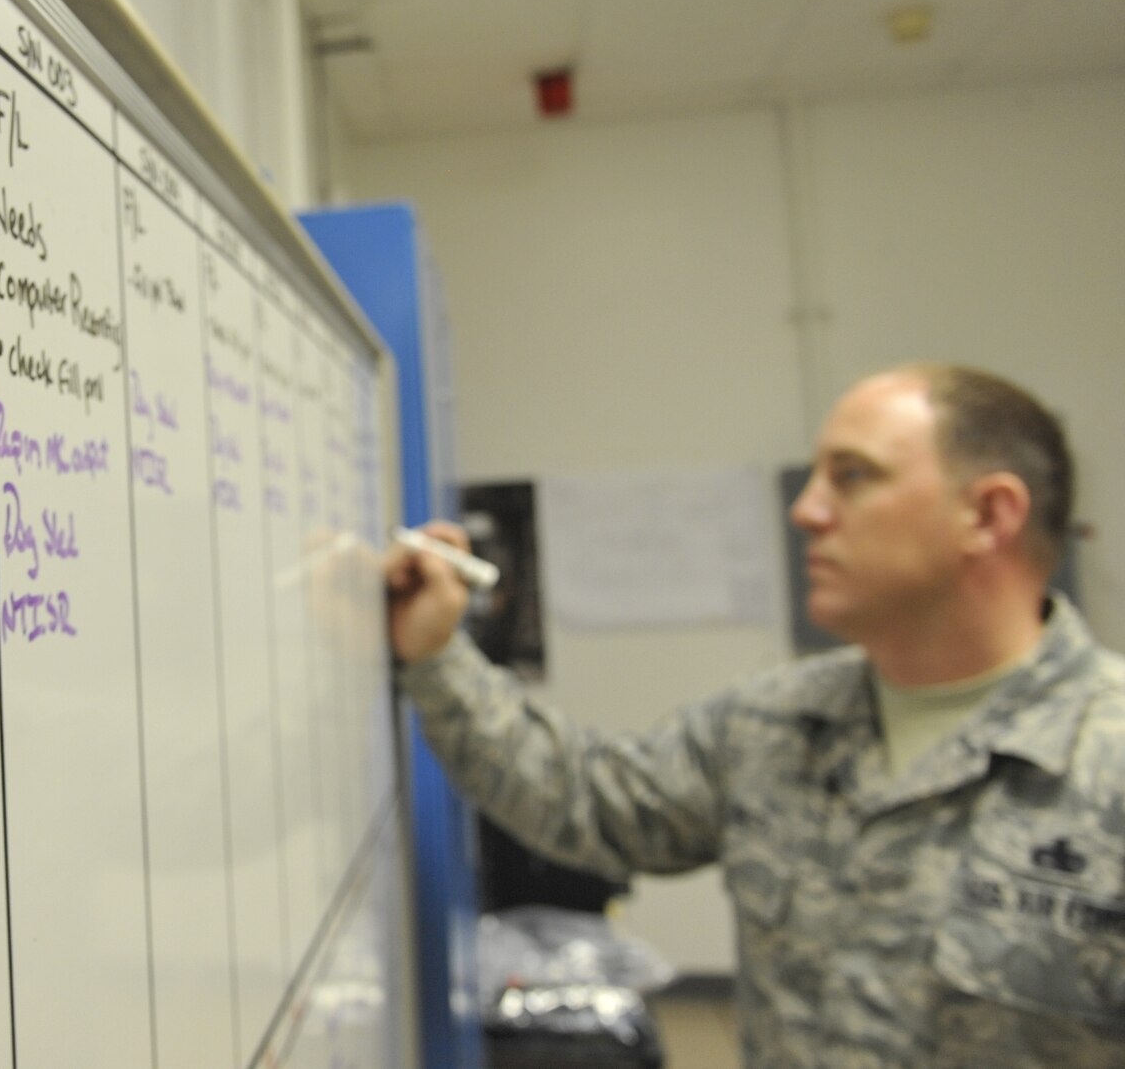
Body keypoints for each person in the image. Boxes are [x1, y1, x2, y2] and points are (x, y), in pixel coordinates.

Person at [386, 364, 1125, 1066]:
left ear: (989, 513)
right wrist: (437, 654)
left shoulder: (1105, 756)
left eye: (854, 475)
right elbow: (588, 796)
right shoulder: (780, 721)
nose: (807, 509)